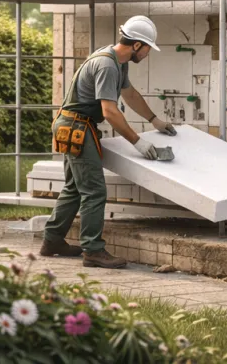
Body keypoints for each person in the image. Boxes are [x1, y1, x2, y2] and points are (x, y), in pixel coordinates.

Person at [39, 16, 178, 268]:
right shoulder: (107, 66)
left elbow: (130, 94)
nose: (148, 54)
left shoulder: (117, 62)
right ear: (137, 45)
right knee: (94, 191)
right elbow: (110, 112)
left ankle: (52, 241)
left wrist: (154, 120)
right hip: (77, 127)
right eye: (148, 48)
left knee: (74, 188)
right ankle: (93, 251)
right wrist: (138, 142)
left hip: (74, 125)